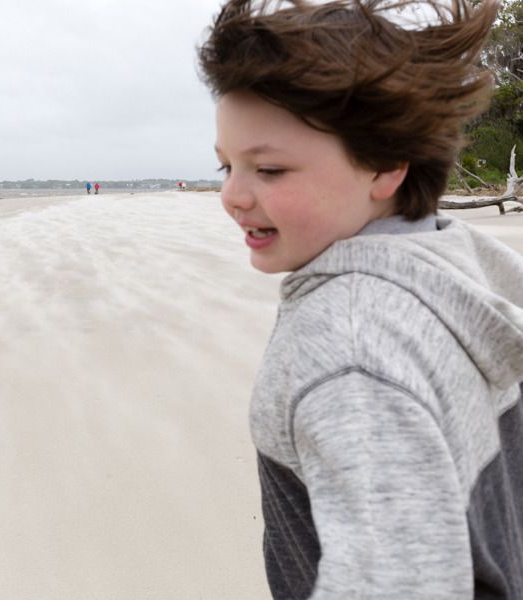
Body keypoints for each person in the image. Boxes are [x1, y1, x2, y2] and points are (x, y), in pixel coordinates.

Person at [198, 0, 523, 598]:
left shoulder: (348, 352)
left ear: (385, 166)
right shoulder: (460, 275)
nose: (233, 197)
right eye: (225, 168)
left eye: (268, 170)